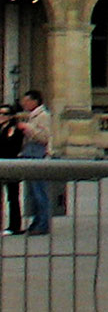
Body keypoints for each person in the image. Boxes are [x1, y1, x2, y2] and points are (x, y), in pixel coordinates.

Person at [18, 89, 51, 236]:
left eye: (26, 101)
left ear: (34, 101)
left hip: (36, 155)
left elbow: (44, 137)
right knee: (33, 192)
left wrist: (28, 128)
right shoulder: (35, 115)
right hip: (30, 154)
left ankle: (42, 223)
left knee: (39, 192)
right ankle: (37, 222)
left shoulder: (43, 116)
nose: (24, 104)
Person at [0, 102, 22, 234]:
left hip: (11, 165)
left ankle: (14, 226)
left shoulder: (14, 129)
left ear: (11, 116)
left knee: (12, 197)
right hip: (1, 164)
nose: (2, 116)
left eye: (5, 114)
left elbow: (14, 147)